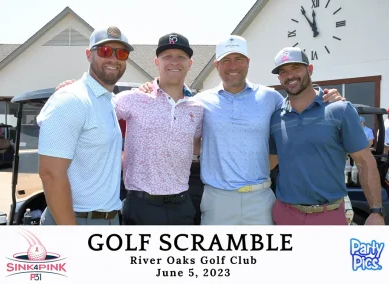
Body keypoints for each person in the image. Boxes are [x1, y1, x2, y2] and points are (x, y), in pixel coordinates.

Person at [139, 35, 342, 225]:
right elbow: (183, 134)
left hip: (261, 199)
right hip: (217, 200)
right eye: (226, 60)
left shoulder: (271, 98)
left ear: (248, 62)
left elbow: (298, 117)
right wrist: (150, 88)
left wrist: (326, 98)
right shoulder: (199, 102)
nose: (233, 66)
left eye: (239, 59)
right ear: (216, 65)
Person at [56, 33, 203, 225]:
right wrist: (72, 88)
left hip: (182, 206)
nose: (174, 62)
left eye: (181, 57)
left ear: (190, 63)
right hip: (141, 206)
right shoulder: (132, 99)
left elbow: (196, 145)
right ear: (156, 62)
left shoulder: (198, 108)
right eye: (167, 56)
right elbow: (93, 109)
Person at [269, 46, 385, 225]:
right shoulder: (277, 117)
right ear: (279, 78)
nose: (290, 75)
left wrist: (376, 211)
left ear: (310, 69)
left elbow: (364, 161)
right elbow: (270, 161)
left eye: (296, 68)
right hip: (285, 215)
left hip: (328, 216)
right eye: (283, 71)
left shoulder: (340, 110)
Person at [37, 26, 134, 225]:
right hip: (76, 220)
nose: (114, 59)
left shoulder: (109, 101)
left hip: (108, 220)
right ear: (89, 55)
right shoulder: (72, 100)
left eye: (122, 53)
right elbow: (50, 174)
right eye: (105, 51)